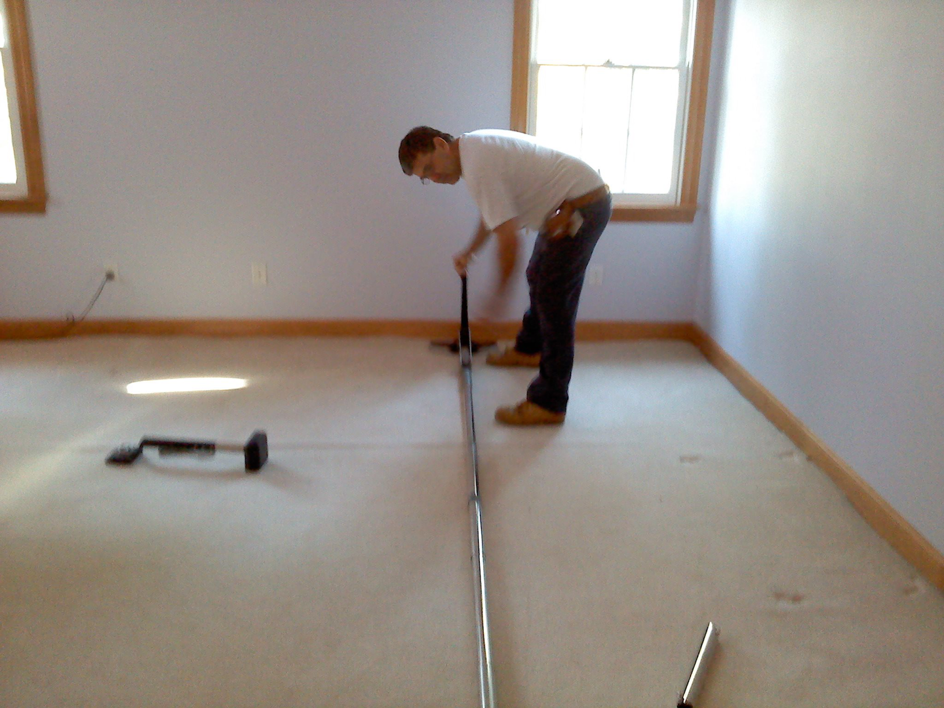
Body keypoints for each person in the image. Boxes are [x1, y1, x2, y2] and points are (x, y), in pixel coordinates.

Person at [398, 127, 611, 426]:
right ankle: (529, 348)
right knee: (539, 276)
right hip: (569, 204)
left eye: (430, 167)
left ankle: (550, 403)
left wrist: (495, 304)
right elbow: (494, 214)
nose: (433, 178)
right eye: (425, 177)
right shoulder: (474, 151)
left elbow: (509, 243)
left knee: (554, 300)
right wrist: (470, 251)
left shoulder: (478, 162)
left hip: (582, 207)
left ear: (440, 144)